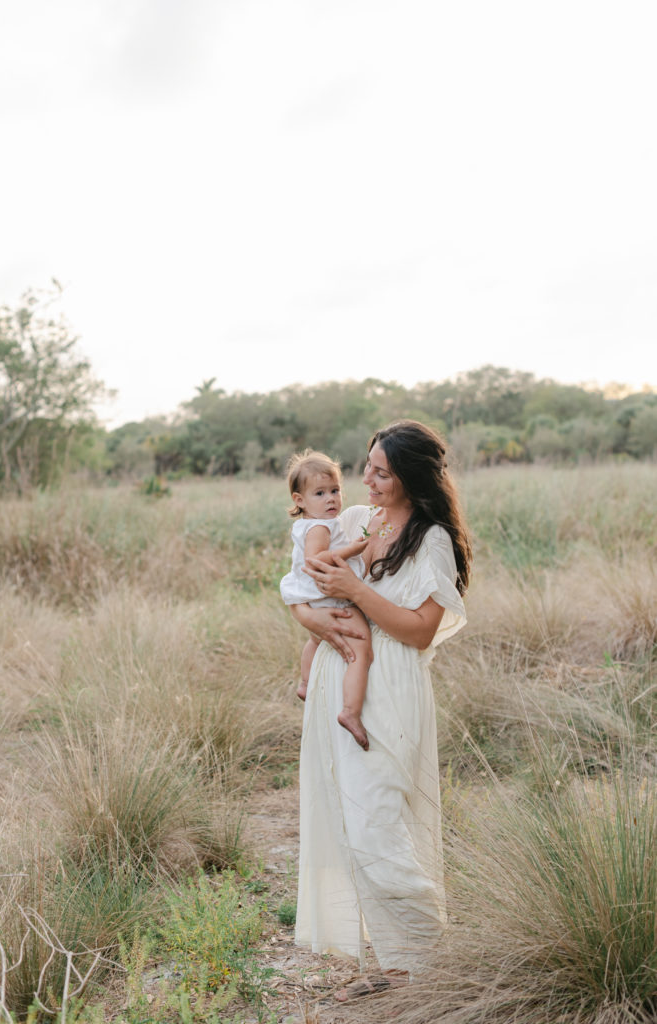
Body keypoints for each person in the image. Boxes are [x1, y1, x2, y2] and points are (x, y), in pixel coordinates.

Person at [289, 420, 472, 991]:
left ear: (410, 477)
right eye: (366, 465)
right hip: (338, 674)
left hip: (390, 684)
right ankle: (396, 965)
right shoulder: (353, 521)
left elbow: (419, 631)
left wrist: (356, 593)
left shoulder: (432, 539)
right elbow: (302, 588)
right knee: (351, 819)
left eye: (381, 473)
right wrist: (316, 620)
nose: (364, 479)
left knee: (380, 823)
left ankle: (429, 964)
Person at [280, 450, 373, 749]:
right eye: (319, 493)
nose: (331, 498)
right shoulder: (320, 526)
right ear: (299, 500)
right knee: (361, 650)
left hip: (314, 599)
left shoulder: (313, 524)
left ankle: (306, 682)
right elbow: (315, 560)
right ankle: (350, 712)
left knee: (316, 640)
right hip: (328, 598)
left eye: (335, 490)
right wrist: (353, 550)